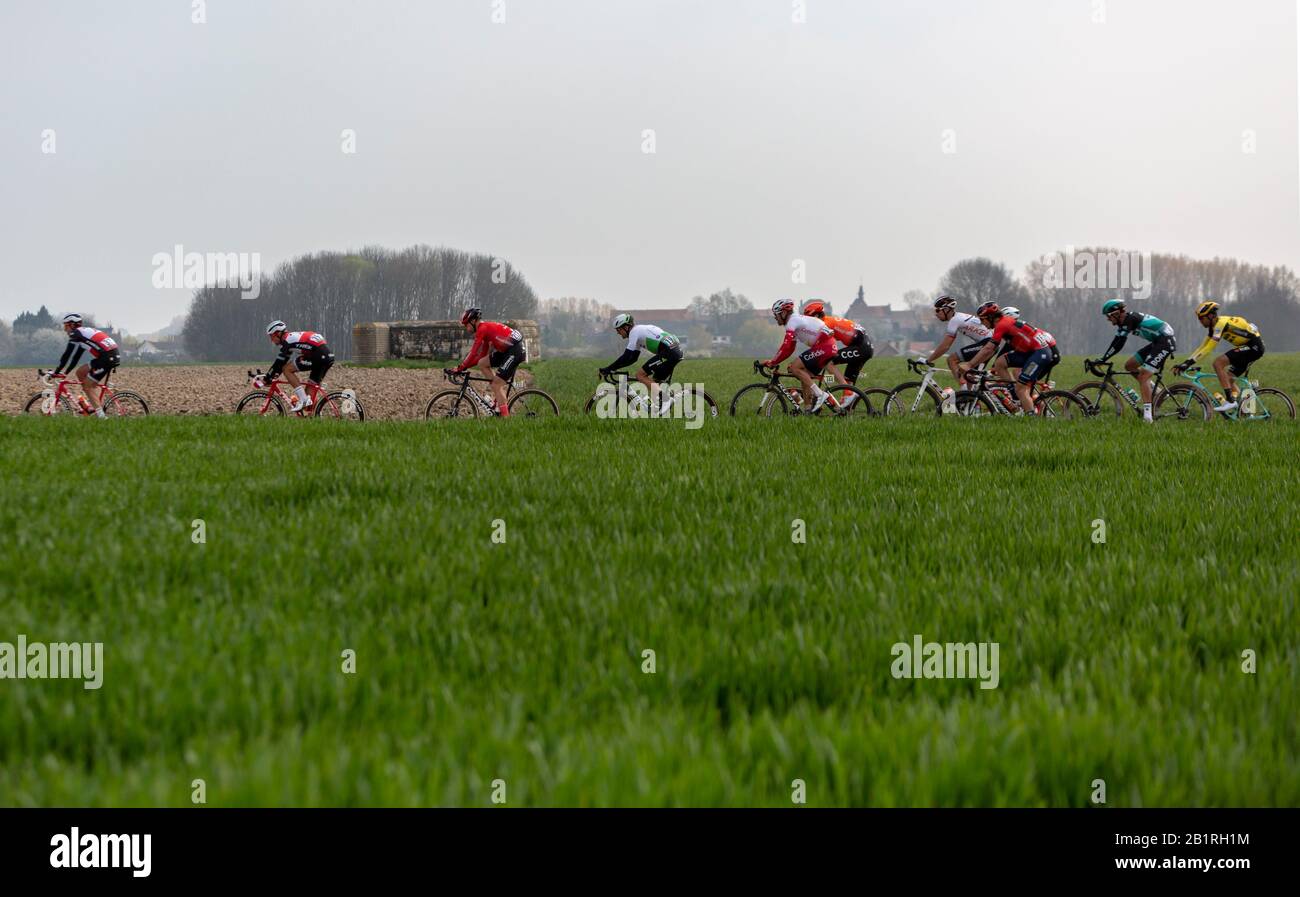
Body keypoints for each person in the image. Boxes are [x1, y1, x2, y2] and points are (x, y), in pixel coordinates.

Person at [962, 302, 1059, 415]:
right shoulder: (1004, 322)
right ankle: (1014, 395)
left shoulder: (1002, 325)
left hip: (1039, 354)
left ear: (990, 317)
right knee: (1000, 363)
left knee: (1021, 389)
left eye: (982, 320)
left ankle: (1030, 419)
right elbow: (991, 350)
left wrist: (969, 365)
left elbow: (989, 348)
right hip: (1030, 352)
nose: (982, 323)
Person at [1091, 299, 1176, 423]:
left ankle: (1148, 417)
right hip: (1157, 342)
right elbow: (1116, 341)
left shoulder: (1130, 319)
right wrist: (1103, 358)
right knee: (1130, 365)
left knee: (1143, 376)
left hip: (1165, 342)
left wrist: (1103, 359)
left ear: (1116, 313)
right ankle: (1157, 392)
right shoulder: (1124, 323)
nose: (1108, 319)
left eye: (1109, 316)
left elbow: (1120, 344)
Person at [1173, 301, 1264, 412]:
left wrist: (1189, 363)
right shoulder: (1214, 326)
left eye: (1201, 318)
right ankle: (1245, 411)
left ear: (1210, 316)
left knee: (1218, 363)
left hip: (1253, 347)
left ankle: (1230, 401)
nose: (1200, 321)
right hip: (1250, 346)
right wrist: (1186, 362)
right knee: (1229, 379)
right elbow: (1202, 346)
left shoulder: (1220, 325)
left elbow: (1209, 348)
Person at [760, 299, 837, 413]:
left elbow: (786, 346)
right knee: (803, 374)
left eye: (776, 314)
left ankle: (820, 394)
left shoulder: (792, 321)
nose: (775, 317)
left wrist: (773, 362)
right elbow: (790, 348)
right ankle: (809, 409)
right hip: (826, 346)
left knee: (795, 367)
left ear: (784, 313)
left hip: (825, 347)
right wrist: (775, 361)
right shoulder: (794, 321)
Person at [449, 307, 526, 417]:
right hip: (508, 350)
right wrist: (464, 367)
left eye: (466, 324)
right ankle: (498, 400)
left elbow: (473, 352)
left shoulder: (482, 329)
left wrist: (461, 367)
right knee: (482, 363)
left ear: (473, 321)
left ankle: (506, 420)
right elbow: (480, 357)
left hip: (515, 351)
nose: (466, 328)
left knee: (496, 385)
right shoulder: (485, 329)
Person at [600, 314, 683, 413]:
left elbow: (627, 355)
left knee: (640, 375)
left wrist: (608, 368)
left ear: (626, 327)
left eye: (618, 330)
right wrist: (614, 368)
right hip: (674, 351)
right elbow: (632, 358)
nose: (618, 333)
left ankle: (665, 400)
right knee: (656, 382)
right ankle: (662, 406)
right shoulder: (639, 333)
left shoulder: (634, 332)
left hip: (669, 352)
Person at [49, 313, 120, 418]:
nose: (65, 330)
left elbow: (67, 355)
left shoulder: (76, 334)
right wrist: (65, 373)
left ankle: (101, 417)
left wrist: (56, 372)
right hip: (108, 355)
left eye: (66, 326)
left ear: (72, 325)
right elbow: (75, 358)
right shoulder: (82, 335)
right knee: (80, 372)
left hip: (107, 357)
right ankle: (94, 405)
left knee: (87, 385)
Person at [261, 321, 334, 412]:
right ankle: (312, 417)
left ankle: (303, 399)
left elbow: (279, 363)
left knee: (287, 369)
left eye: (272, 337)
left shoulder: (288, 341)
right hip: (326, 356)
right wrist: (271, 376)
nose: (271, 340)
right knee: (309, 398)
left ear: (278, 333)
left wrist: (268, 377)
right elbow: (281, 362)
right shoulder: (291, 339)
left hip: (319, 357)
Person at [921, 296, 992, 387]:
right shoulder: (958, 317)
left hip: (987, 343)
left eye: (938, 310)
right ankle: (972, 398)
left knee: (952, 359)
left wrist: (928, 360)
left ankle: (964, 393)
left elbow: (945, 346)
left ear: (946, 310)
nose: (936, 314)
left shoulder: (954, 321)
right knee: (970, 377)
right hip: (989, 343)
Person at [802, 301, 873, 391]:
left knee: (828, 363)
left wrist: (805, 363)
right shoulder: (827, 321)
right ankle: (851, 398)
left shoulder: (824, 325)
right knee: (848, 382)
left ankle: (848, 392)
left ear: (816, 316)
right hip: (863, 346)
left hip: (861, 346)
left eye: (809, 319)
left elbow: (820, 349)